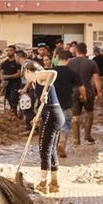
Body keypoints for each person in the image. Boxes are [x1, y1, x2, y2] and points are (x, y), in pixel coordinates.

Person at [21, 61, 64, 193]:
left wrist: (45, 91)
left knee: (44, 149)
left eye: (24, 73)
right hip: (53, 114)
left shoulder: (39, 75)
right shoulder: (36, 82)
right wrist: (37, 116)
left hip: (52, 115)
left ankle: (43, 183)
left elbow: (53, 72)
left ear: (27, 71)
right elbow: (43, 104)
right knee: (51, 150)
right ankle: (54, 183)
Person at [66, 42, 101, 143]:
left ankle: (76, 139)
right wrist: (99, 91)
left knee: (75, 115)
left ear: (76, 51)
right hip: (88, 90)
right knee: (89, 113)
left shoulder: (69, 62)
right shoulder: (91, 63)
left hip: (73, 91)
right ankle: (87, 135)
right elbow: (97, 79)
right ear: (86, 51)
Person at [51, 48, 81, 158]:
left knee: (54, 126)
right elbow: (81, 88)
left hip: (53, 104)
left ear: (58, 58)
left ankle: (53, 149)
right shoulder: (72, 73)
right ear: (68, 60)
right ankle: (62, 141)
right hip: (67, 103)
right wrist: (84, 96)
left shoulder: (51, 72)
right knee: (66, 123)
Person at [0, 46, 23, 116]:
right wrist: (2, 80)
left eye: (10, 50)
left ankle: (16, 112)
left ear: (14, 51)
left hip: (15, 83)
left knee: (13, 98)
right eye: (7, 50)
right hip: (7, 83)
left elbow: (19, 74)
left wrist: (8, 76)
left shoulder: (17, 62)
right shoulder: (5, 62)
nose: (9, 52)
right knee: (8, 97)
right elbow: (1, 72)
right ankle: (13, 111)